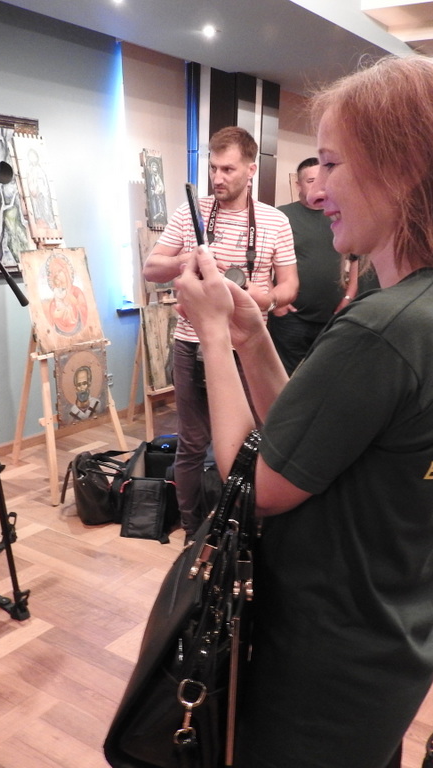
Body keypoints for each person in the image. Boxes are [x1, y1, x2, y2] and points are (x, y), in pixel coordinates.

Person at [173, 55, 433, 768]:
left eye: (331, 164)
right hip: (387, 642)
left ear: (403, 167)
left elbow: (254, 484)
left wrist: (210, 336)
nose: (318, 189)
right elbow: (304, 439)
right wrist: (251, 336)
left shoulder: (385, 326)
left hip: (324, 663)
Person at [142, 126, 297, 537]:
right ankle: (194, 532)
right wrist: (191, 261)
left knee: (252, 438)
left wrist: (261, 299)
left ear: (251, 170)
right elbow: (151, 268)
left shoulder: (275, 221)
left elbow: (290, 287)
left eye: (228, 169)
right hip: (190, 345)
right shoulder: (189, 213)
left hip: (245, 348)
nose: (218, 178)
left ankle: (242, 529)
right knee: (192, 443)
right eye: (213, 168)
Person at [269, 157, 352, 374]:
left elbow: (356, 257)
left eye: (323, 180)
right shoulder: (281, 216)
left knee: (324, 377)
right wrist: (276, 301)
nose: (318, 187)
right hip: (291, 317)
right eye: (310, 181)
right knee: (287, 379)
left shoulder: (339, 215)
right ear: (299, 184)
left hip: (332, 315)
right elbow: (262, 260)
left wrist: (348, 297)